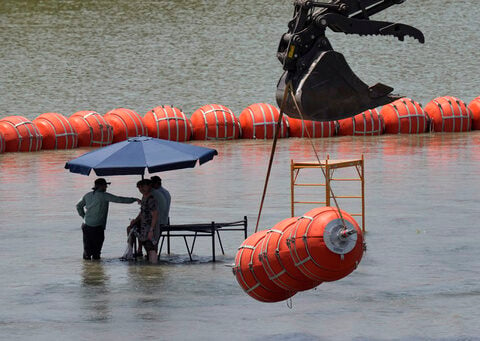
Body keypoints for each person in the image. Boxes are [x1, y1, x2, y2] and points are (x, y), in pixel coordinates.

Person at [76, 178, 140, 260]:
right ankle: (97, 269)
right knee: (97, 251)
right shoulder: (104, 196)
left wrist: (84, 216)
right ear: (100, 186)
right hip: (97, 226)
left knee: (87, 250)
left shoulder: (87, 195)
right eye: (105, 185)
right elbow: (119, 199)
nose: (106, 187)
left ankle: (88, 269)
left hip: (86, 225)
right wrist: (134, 199)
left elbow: (78, 206)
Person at [128, 179, 163, 263]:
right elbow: (142, 212)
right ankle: (150, 267)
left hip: (151, 227)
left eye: (143, 187)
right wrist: (135, 220)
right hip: (144, 226)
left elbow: (155, 214)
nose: (141, 189)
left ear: (149, 186)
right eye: (139, 187)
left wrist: (151, 229)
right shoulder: (144, 197)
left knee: (151, 248)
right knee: (147, 246)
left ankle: (154, 267)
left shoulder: (151, 198)